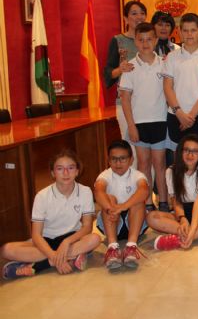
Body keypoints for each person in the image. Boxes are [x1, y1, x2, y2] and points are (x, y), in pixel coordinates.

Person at [1, 150, 100, 280]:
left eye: (70, 168)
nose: (66, 173)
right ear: (53, 173)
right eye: (60, 169)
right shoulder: (42, 196)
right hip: (46, 241)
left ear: (77, 171)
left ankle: (39, 266)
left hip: (72, 239)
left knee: (94, 239)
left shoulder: (85, 191)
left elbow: (87, 227)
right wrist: (53, 256)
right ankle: (70, 258)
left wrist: (66, 242)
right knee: (5, 250)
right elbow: (36, 235)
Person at [119, 22, 169, 213]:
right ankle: (147, 201)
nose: (145, 43)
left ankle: (163, 201)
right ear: (135, 42)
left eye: (149, 39)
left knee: (160, 164)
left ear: (155, 40)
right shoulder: (130, 67)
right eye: (141, 40)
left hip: (160, 121)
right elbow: (125, 99)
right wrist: (131, 125)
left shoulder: (164, 63)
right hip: (139, 123)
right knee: (143, 163)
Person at [94, 140, 149, 270]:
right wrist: (111, 209)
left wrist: (123, 206)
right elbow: (98, 191)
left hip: (134, 222)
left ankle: (131, 246)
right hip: (111, 219)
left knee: (138, 200)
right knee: (109, 198)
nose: (118, 163)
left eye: (123, 159)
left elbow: (144, 190)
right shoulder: (104, 175)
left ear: (131, 160)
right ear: (109, 160)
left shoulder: (137, 175)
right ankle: (112, 247)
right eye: (114, 159)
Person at [104, 0, 147, 162]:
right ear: (125, 18)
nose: (139, 17)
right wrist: (120, 69)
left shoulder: (150, 39)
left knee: (148, 149)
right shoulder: (118, 41)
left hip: (149, 103)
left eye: (142, 13)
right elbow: (109, 73)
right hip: (125, 102)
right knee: (131, 146)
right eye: (134, 13)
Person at [163, 13, 198, 149]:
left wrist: (191, 115)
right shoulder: (172, 57)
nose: (189, 34)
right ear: (179, 32)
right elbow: (167, 87)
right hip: (176, 115)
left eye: (193, 30)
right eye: (185, 30)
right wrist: (179, 113)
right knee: (178, 156)